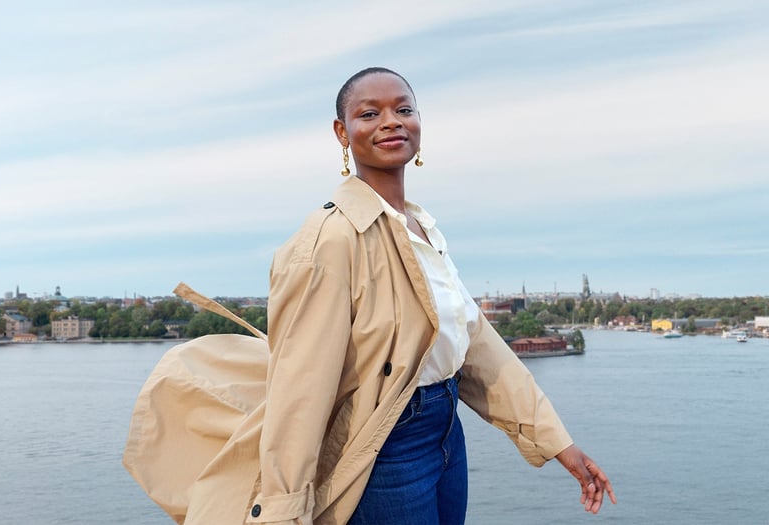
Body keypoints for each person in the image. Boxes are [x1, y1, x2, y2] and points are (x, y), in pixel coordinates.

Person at [247, 67, 615, 524]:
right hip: (384, 451)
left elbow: (476, 347)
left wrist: (559, 444)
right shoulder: (331, 240)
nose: (391, 121)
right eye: (370, 113)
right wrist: (283, 512)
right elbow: (298, 390)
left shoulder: (422, 229)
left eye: (404, 109)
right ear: (342, 133)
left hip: (445, 435)